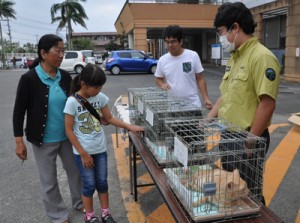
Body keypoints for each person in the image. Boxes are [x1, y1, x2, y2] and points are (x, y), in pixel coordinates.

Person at [208, 2, 280, 204]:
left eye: (222, 32)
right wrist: (207, 119)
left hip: (247, 138)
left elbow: (267, 103)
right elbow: (226, 95)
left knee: (248, 192)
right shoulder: (235, 57)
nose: (222, 38)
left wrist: (250, 141)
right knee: (230, 188)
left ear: (235, 28)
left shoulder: (262, 57)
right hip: (228, 134)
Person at [13, 34, 84, 223]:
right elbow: (19, 111)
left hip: (68, 137)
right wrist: (19, 141)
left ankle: (80, 203)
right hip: (43, 139)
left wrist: (97, 116)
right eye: (57, 51)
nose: (62, 55)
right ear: (43, 53)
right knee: (49, 180)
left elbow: (77, 101)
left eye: (63, 50)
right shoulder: (29, 79)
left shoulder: (65, 76)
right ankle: (58, 215)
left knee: (76, 172)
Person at [64, 64, 144, 223]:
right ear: (83, 84)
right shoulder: (72, 102)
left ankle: (106, 214)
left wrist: (129, 127)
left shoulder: (100, 98)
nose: (99, 90)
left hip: (100, 150)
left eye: (101, 86)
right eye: (96, 87)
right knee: (88, 185)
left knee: (102, 182)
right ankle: (90, 216)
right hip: (83, 153)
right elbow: (69, 130)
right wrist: (83, 153)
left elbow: (109, 118)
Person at [154, 25, 212, 109]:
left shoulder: (192, 56)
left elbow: (200, 78)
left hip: (193, 104)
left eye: (173, 41)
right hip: (173, 106)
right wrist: (162, 84)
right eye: (167, 42)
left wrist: (206, 99)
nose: (170, 45)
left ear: (181, 42)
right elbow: (158, 79)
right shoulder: (163, 60)